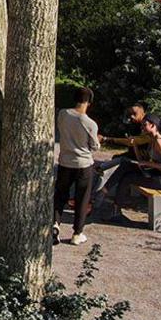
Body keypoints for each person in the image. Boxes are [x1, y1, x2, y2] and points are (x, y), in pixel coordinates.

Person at [53, 87, 102, 245]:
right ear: (88, 102)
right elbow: (94, 147)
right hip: (83, 164)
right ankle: (77, 233)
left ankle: (55, 223)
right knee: (82, 198)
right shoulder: (90, 123)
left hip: (65, 161)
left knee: (61, 194)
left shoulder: (63, 114)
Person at [110, 114, 161, 216]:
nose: (141, 128)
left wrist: (148, 163)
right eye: (141, 125)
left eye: (144, 125)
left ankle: (115, 211)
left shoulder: (160, 141)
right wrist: (135, 146)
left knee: (128, 178)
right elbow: (141, 160)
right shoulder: (152, 139)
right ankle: (113, 206)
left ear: (153, 125)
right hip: (157, 174)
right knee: (126, 167)